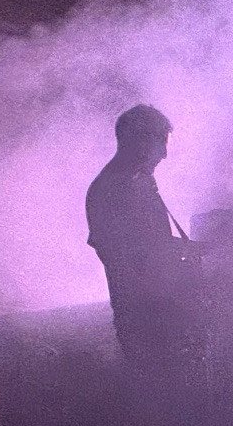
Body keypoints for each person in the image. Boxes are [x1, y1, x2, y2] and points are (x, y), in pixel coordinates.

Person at [86, 104, 204, 386]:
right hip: (146, 319)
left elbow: (150, 244)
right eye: (159, 143)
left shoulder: (136, 182)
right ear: (137, 141)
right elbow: (126, 256)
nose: (164, 154)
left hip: (158, 312)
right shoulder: (111, 190)